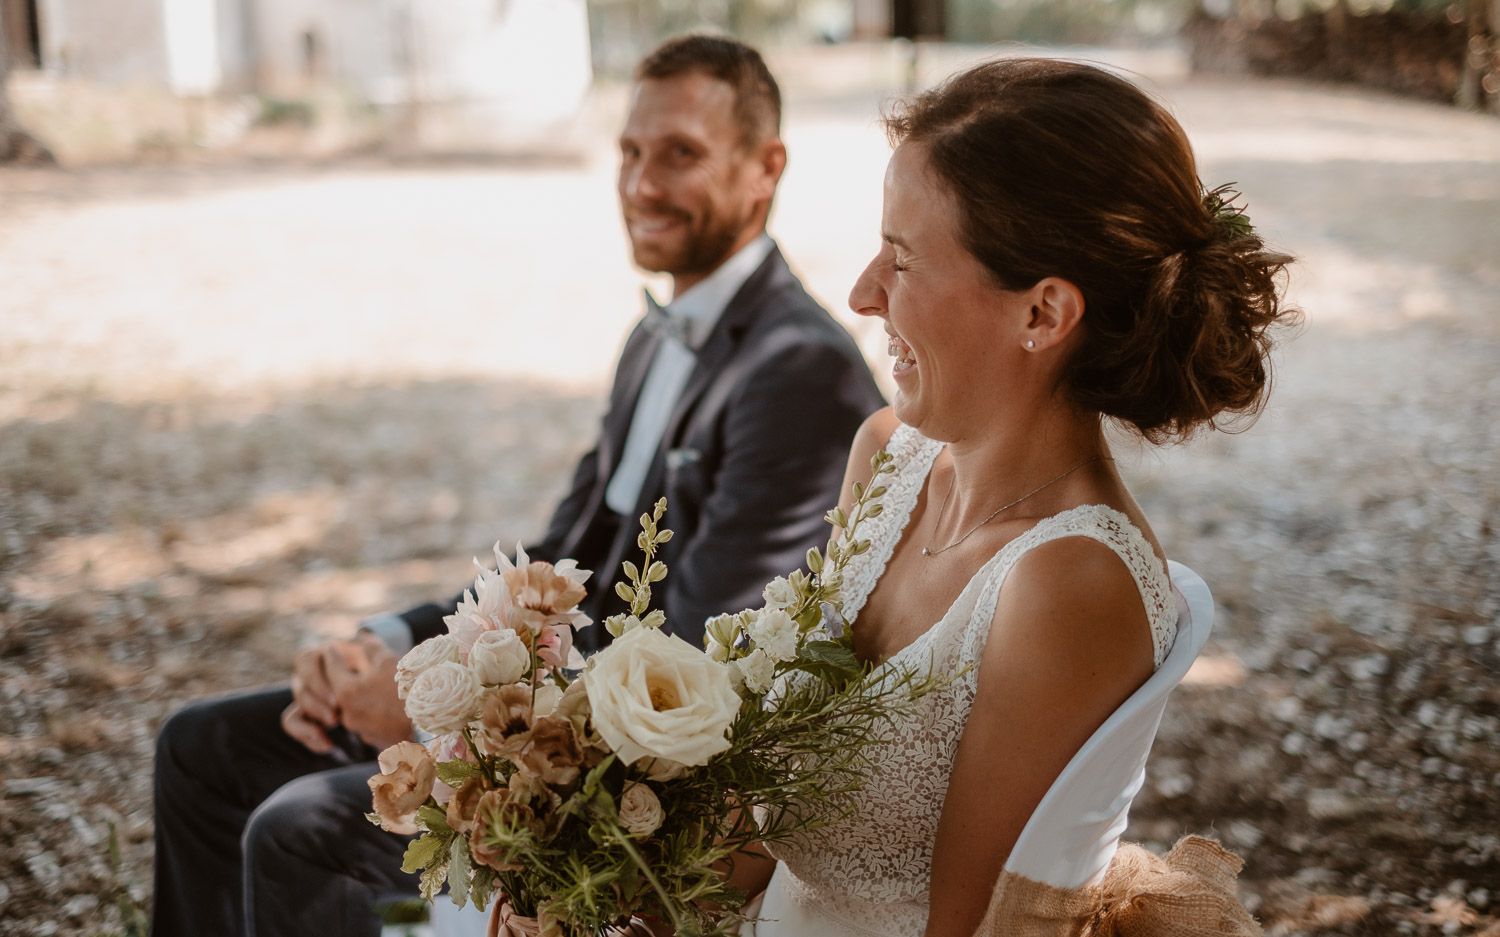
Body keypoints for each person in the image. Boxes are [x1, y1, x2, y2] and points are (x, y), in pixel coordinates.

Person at [149, 35, 884, 937]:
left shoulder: (797, 369)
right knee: (201, 746)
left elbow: (694, 676)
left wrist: (432, 714)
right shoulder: (654, 337)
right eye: (629, 152)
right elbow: (556, 567)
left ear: (765, 167)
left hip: (633, 801)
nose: (641, 184)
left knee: (301, 830)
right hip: (547, 718)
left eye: (680, 155)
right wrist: (376, 647)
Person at [738, 58, 1294, 937]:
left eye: (905, 260)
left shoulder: (1070, 579)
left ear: (1043, 314)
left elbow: (966, 929)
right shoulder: (888, 456)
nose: (862, 292)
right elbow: (771, 822)